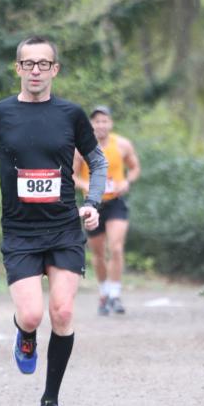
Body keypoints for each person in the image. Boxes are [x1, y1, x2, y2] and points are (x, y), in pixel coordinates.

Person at [0, 36, 107, 406]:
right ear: (17, 68)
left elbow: (97, 162)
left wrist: (92, 204)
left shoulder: (71, 115)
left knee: (62, 312)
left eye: (43, 64)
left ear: (54, 70)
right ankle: (24, 335)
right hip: (19, 231)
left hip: (64, 227)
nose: (35, 71)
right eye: (28, 64)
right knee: (30, 315)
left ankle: (50, 402)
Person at [73, 105, 140, 315]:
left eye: (104, 120)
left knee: (117, 247)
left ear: (110, 123)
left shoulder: (122, 144)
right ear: (91, 124)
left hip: (115, 202)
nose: (101, 125)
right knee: (99, 253)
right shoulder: (80, 146)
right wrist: (86, 185)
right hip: (93, 205)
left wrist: (127, 182)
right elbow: (71, 175)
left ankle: (115, 294)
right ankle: (103, 293)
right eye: (96, 121)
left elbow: (135, 167)